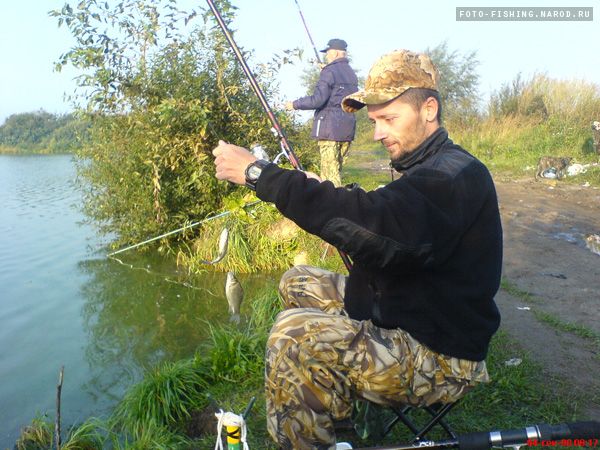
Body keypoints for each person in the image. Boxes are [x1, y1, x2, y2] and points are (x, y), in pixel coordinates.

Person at [212, 49, 502, 450]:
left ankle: (310, 430)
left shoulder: (453, 175)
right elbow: (389, 218)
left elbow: (379, 227)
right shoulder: (426, 168)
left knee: (292, 337)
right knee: (297, 281)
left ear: (429, 109)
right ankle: (334, 409)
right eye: (373, 122)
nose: (378, 133)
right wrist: (322, 191)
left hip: (439, 354)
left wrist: (258, 174)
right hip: (410, 308)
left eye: (389, 119)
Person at [285, 38, 358, 186]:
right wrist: (327, 70)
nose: (326, 56)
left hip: (329, 129)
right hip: (347, 128)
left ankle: (334, 201)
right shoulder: (351, 73)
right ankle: (342, 197)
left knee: (330, 177)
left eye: (328, 53)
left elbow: (318, 100)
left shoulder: (329, 71)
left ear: (335, 53)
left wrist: (294, 104)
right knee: (336, 170)